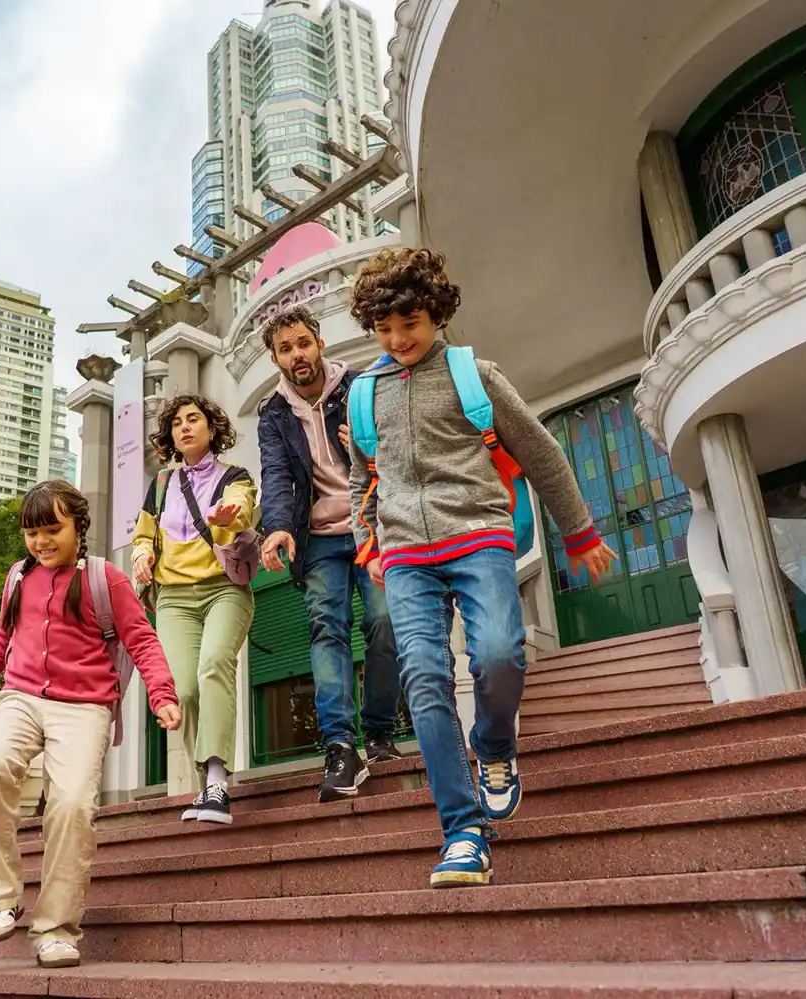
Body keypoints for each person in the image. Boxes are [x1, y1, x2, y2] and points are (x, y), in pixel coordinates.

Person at [345, 247, 616, 889]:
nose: (397, 338)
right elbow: (363, 478)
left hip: (479, 534)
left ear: (435, 313)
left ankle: (494, 747)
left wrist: (580, 534)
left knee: (497, 652)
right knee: (424, 680)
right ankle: (463, 831)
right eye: (383, 328)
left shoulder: (475, 375)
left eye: (408, 323)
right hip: (405, 553)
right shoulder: (363, 395)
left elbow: (541, 452)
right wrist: (369, 542)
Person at [0, 480, 181, 968]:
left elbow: (141, 640)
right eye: (31, 533)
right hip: (20, 698)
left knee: (70, 806)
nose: (41, 542)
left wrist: (161, 694)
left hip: (84, 707)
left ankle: (56, 929)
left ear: (78, 527)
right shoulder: (18, 579)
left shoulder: (105, 579)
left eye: (52, 530)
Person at [257, 305, 402, 803]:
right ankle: (340, 745)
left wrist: (368, 447)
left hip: (370, 524)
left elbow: (398, 448)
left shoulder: (359, 387)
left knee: (384, 621)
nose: (297, 354)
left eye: (302, 343)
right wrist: (276, 528)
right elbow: (275, 476)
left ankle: (380, 730)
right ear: (275, 358)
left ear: (319, 343)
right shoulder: (273, 415)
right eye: (285, 349)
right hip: (316, 537)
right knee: (327, 628)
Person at [131, 393, 257, 825]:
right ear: (169, 435)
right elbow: (143, 534)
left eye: (194, 419)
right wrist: (142, 555)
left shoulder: (234, 475)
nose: (185, 428)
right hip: (174, 599)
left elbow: (242, 506)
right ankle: (205, 783)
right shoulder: (162, 485)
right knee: (181, 690)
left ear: (211, 428)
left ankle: (218, 780)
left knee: (214, 665)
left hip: (224, 588)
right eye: (177, 423)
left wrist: (229, 513)